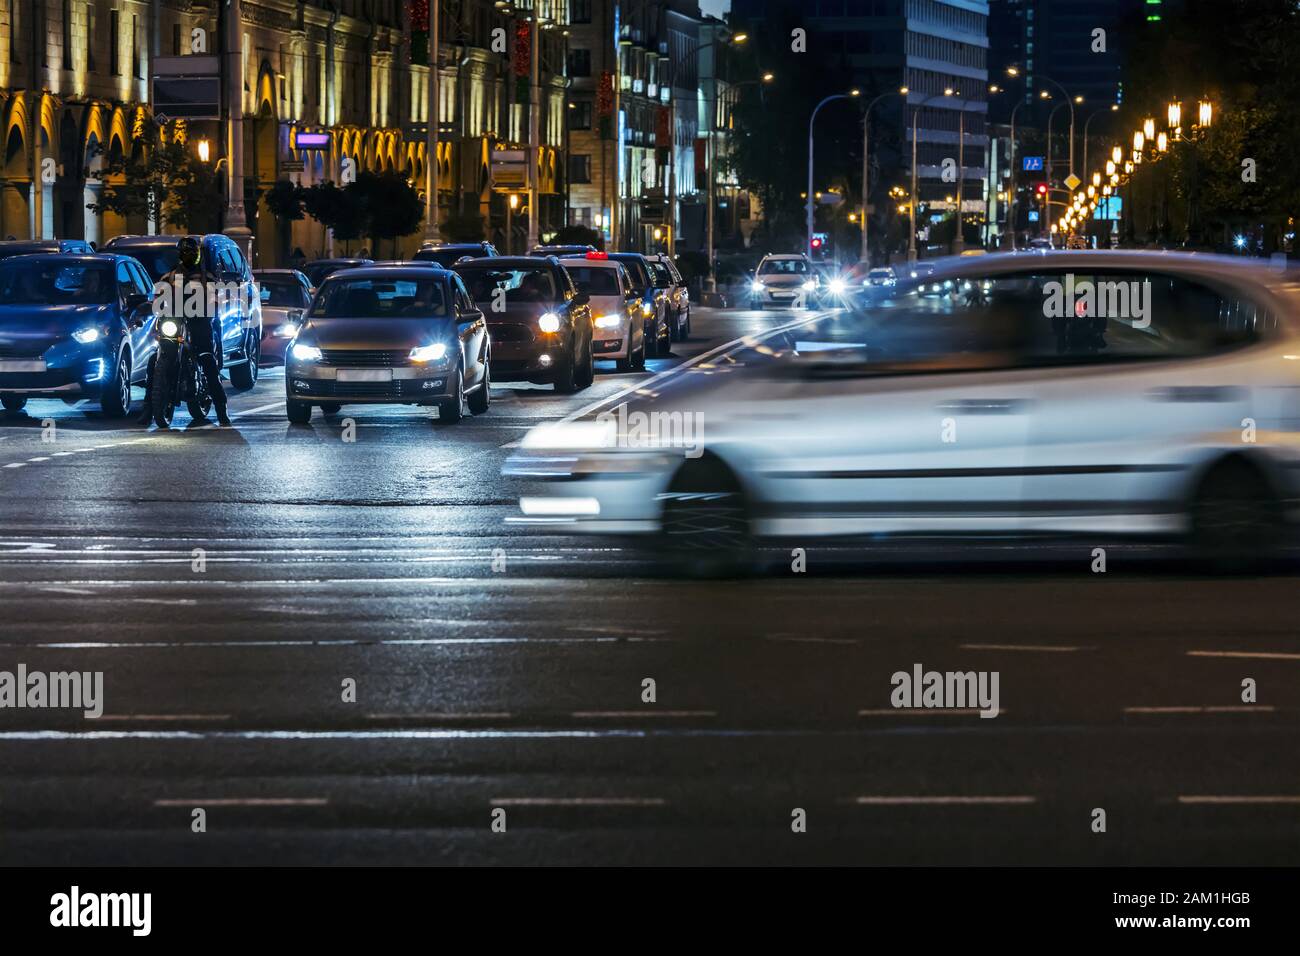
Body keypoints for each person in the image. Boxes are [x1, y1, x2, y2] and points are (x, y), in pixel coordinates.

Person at [137, 237, 232, 427]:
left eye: (192, 253)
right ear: (179, 255)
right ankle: (148, 407)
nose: (189, 257)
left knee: (207, 360)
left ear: (198, 254)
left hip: (198, 321)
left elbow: (216, 301)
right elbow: (157, 298)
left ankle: (222, 410)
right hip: (175, 321)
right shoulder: (169, 277)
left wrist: (209, 308)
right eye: (185, 253)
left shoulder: (208, 278)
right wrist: (149, 306)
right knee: (155, 360)